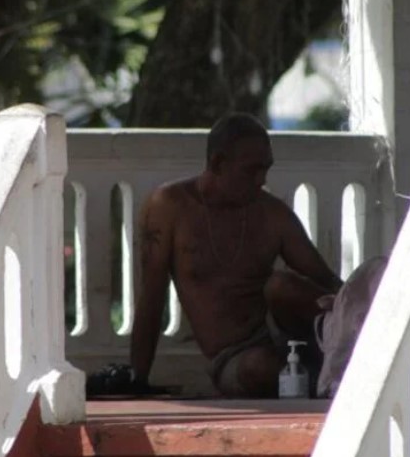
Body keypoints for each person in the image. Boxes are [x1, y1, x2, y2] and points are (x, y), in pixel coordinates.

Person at [129, 112, 378, 398]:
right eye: (251, 170)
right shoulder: (169, 206)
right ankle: (323, 381)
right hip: (236, 356)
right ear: (218, 164)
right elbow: (150, 300)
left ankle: (362, 362)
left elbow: (330, 284)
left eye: (266, 169)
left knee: (281, 285)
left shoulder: (272, 213)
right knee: (259, 367)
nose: (262, 180)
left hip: (293, 339)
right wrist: (137, 379)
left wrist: (355, 311)